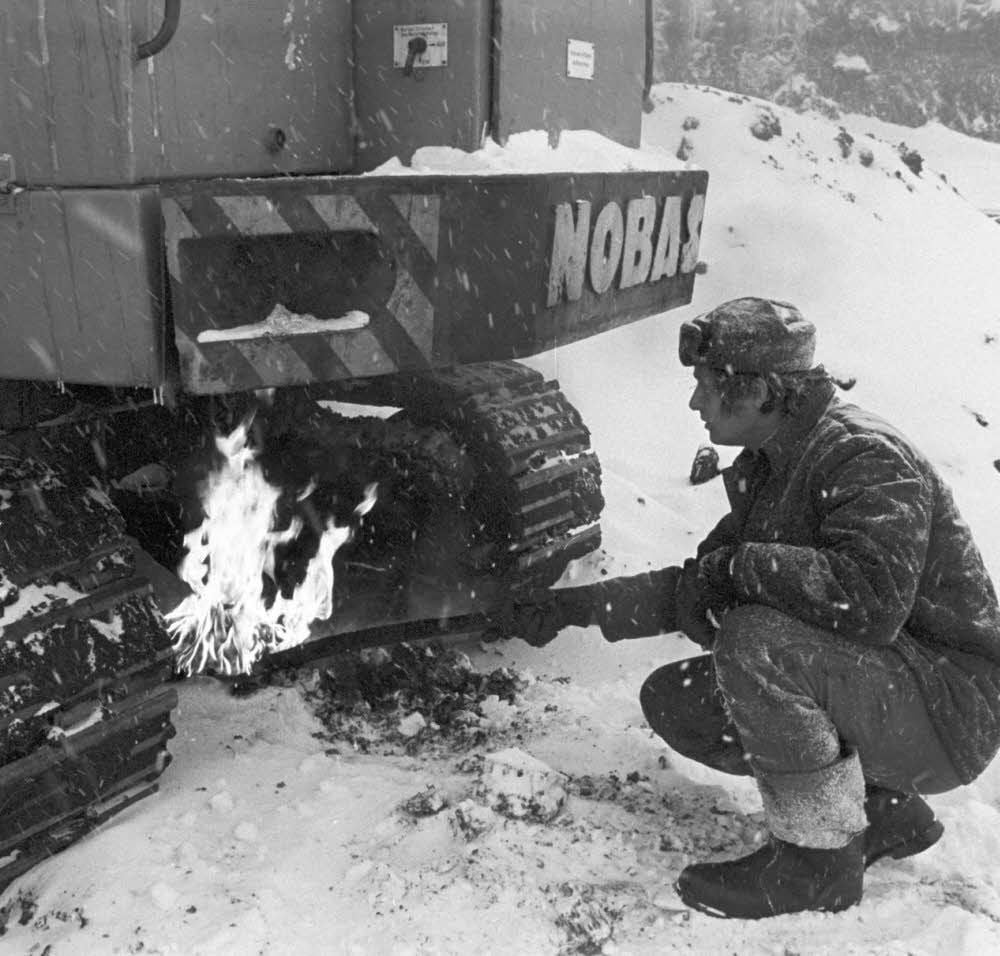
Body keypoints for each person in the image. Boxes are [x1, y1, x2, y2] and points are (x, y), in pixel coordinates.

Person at [510, 297, 1000, 919]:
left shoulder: (864, 458)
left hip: (951, 708)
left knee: (754, 640)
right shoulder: (776, 463)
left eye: (707, 387)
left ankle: (816, 867)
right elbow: (702, 590)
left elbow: (870, 601)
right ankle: (877, 812)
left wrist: (744, 567)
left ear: (762, 391)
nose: (695, 403)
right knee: (684, 699)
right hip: (897, 688)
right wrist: (573, 608)